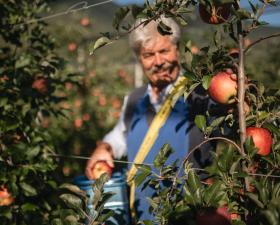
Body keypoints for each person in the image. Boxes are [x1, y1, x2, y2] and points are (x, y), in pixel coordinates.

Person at [85, 16, 213, 222]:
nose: (159, 62)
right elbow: (120, 135)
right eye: (148, 55)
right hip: (140, 217)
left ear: (177, 50)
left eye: (164, 51)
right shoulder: (134, 99)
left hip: (188, 216)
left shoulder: (201, 94)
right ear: (139, 58)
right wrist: (105, 147)